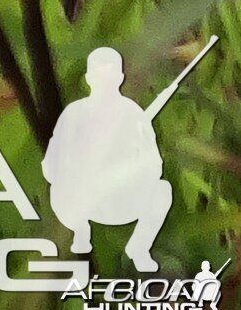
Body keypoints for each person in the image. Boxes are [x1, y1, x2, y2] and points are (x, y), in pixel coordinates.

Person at [44, 49, 175, 272]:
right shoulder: (73, 114)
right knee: (59, 190)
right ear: (88, 79)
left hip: (124, 199)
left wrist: (129, 168)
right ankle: (80, 233)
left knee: (162, 191)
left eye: (110, 78)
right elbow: (51, 166)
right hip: (83, 200)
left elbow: (155, 164)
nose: (104, 86)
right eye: (99, 78)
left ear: (120, 79)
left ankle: (139, 248)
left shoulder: (134, 114)